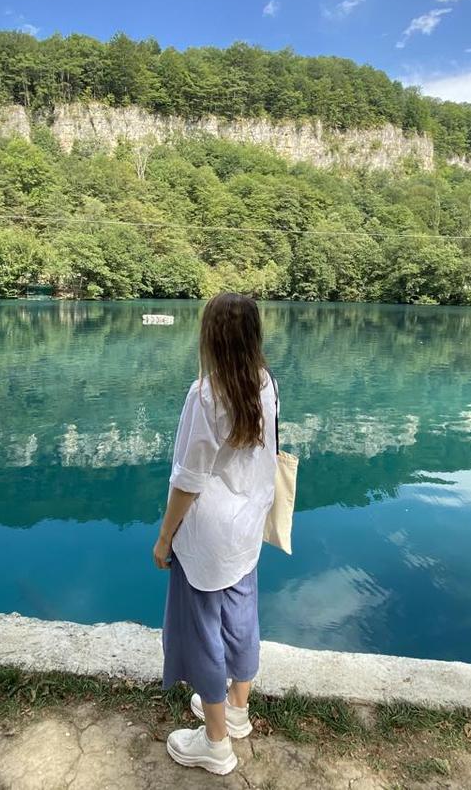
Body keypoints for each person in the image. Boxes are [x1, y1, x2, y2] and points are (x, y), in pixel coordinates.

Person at [153, 292, 278, 775]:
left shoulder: (206, 394)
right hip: (247, 529)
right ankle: (239, 710)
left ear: (211, 337)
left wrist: (165, 537)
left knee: (203, 632)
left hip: (207, 537)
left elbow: (189, 478)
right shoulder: (265, 384)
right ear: (253, 335)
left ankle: (216, 742)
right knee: (241, 616)